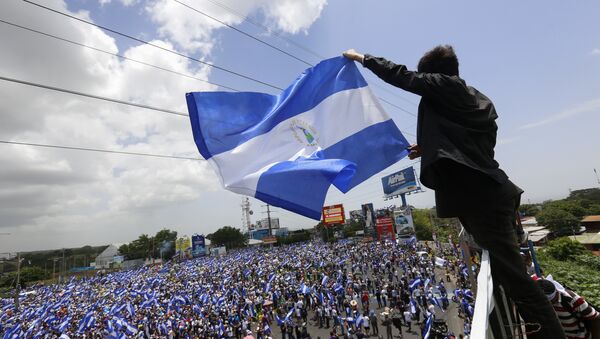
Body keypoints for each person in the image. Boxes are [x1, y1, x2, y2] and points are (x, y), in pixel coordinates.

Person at [343, 46, 565, 339]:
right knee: (505, 274)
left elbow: (402, 76)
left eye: (425, 78)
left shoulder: (447, 86)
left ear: (434, 75)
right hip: (491, 193)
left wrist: (362, 58)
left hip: (482, 199)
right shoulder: (476, 100)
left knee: (517, 282)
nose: (423, 83)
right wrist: (428, 147)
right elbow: (472, 146)